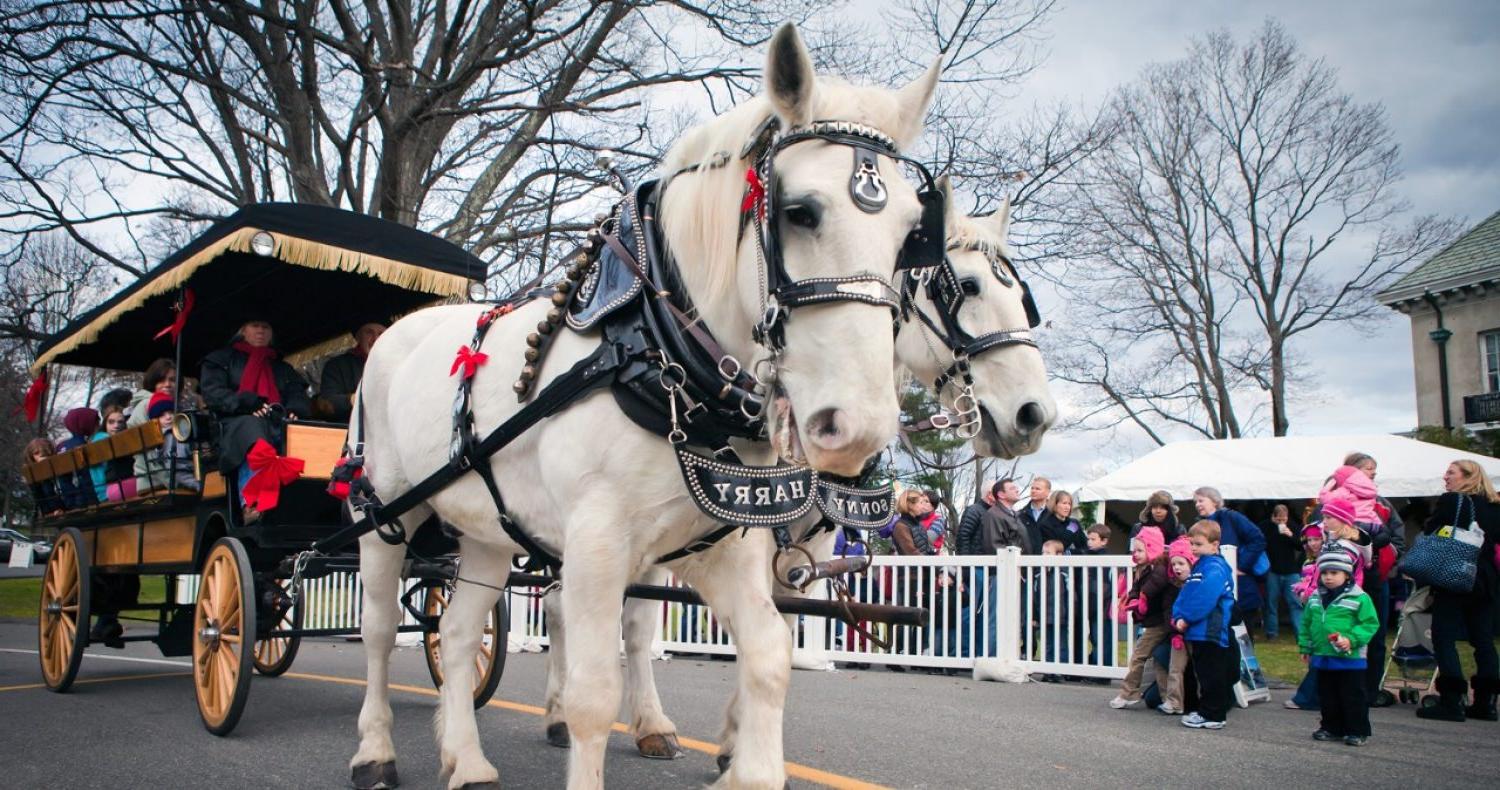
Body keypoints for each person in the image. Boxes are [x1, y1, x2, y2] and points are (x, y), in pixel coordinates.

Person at [200, 317, 311, 517]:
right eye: (255, 326)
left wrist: (296, 408)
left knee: (308, 435)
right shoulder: (220, 360)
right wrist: (245, 403)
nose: (261, 331)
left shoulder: (282, 367)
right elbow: (213, 393)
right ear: (243, 330)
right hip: (234, 424)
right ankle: (252, 502)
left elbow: (297, 392)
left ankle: (311, 503)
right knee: (254, 429)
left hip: (278, 421)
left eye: (266, 326)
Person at [1416, 460, 1500, 723]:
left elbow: (1431, 530)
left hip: (1455, 573)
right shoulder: (1494, 505)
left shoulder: (1454, 502)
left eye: (1451, 473)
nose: (1445, 477)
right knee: (1483, 639)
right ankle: (1486, 702)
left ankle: (1452, 700)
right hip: (1485, 577)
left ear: (1467, 476)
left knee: (1444, 635)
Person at [1340, 452, 1406, 707]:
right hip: (1343, 579)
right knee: (1341, 631)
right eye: (1368, 469)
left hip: (1377, 577)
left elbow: (1397, 539)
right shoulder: (1335, 501)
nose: (1372, 475)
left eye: (1374, 471)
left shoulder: (1383, 505)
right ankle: (1343, 687)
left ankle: (1370, 689)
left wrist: (1389, 559)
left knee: (1374, 632)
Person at [1300, 544, 1379, 746]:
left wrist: (1351, 639)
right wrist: (1306, 647)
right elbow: (1307, 624)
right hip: (1323, 656)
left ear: (1347, 574)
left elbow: (1369, 624)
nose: (1328, 577)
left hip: (1350, 658)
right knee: (1327, 696)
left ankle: (1357, 730)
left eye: (1334, 572)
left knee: (1352, 695)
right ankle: (1330, 727)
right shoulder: (1316, 597)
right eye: (1324, 572)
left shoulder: (1359, 597)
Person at [1172, 519, 1237, 730]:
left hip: (1211, 630)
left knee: (1212, 674)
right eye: (1192, 543)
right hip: (1199, 631)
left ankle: (1213, 714)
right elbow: (1187, 595)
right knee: (1205, 672)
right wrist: (1177, 616)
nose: (1193, 548)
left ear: (1214, 544)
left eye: (1198, 544)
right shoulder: (1203, 566)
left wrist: (1186, 618)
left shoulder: (1215, 568)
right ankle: (1208, 711)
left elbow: (1204, 599)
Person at [963, 479, 1026, 657]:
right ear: (1000, 494)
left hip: (1012, 572)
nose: (1017, 490)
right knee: (991, 616)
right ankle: (988, 657)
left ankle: (1002, 655)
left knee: (1007, 617)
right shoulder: (991, 514)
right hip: (996, 572)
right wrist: (967, 569)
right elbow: (989, 543)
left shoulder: (1013, 514)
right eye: (1012, 488)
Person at [1110, 526, 1169, 709]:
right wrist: (1132, 597)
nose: (1136, 554)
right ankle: (1167, 697)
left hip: (1158, 622)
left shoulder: (1158, 568)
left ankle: (1129, 693)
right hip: (1154, 621)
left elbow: (1154, 584)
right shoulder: (1142, 568)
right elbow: (1136, 587)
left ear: (1152, 548)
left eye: (1140, 550)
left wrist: (1141, 597)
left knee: (1138, 657)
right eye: (1134, 550)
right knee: (1159, 660)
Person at [1193, 486, 1267, 614]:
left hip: (1240, 585)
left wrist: (1242, 566)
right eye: (1195, 502)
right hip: (1215, 583)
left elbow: (1257, 539)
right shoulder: (1200, 525)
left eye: (1201, 500)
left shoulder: (1231, 517)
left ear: (1214, 501)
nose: (1197, 504)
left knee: (1241, 627)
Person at [319, 320, 385, 422]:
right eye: (369, 332)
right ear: (358, 337)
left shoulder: (398, 365)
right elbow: (326, 402)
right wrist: (352, 400)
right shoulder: (336, 366)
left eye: (381, 334)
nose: (375, 339)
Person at [133, 393, 200, 492]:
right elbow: (171, 464)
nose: (168, 417)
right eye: (162, 415)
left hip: (189, 465)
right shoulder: (163, 436)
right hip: (180, 469)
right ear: (155, 419)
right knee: (178, 470)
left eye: (171, 412)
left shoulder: (181, 428)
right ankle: (200, 487)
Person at [1260, 504, 1304, 640]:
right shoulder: (1265, 526)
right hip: (1272, 570)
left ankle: (1301, 634)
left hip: (1291, 570)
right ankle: (1272, 633)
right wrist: (1274, 529)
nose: (1281, 522)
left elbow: (1302, 546)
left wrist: (1290, 535)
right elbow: (1261, 542)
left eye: (1283, 520)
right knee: (1271, 603)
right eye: (1278, 520)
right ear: (1273, 516)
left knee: (1296, 603)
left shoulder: (1293, 526)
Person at [1084, 524, 1116, 668]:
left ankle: (1102, 668)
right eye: (1088, 539)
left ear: (1104, 541)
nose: (1089, 542)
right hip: (1092, 602)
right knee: (1095, 637)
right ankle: (1097, 664)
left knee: (1102, 638)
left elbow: (1106, 584)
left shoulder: (1105, 559)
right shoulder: (1088, 556)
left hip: (1102, 604)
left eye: (1093, 539)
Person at [89, 406, 136, 502]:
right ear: (105, 424)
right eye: (111, 422)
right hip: (109, 490)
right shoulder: (107, 440)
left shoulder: (94, 440)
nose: (116, 426)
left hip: (103, 493)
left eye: (120, 422)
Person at [56, 407, 101, 508]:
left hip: (70, 500)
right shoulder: (87, 444)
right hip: (91, 497)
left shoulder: (60, 447)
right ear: (85, 423)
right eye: (96, 422)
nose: (99, 425)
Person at [127, 358, 176, 427]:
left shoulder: (179, 404)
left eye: (172, 380)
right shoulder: (145, 404)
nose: (167, 384)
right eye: (161, 380)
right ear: (153, 382)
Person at [956, 480, 997, 557]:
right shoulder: (974, 511)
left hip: (991, 563)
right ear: (990, 494)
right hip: (976, 564)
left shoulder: (996, 512)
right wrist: (966, 564)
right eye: (997, 491)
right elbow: (963, 537)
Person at [1037, 489, 1086, 555]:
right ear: (1054, 504)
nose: (1067, 507)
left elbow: (1084, 547)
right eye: (1064, 503)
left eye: (1069, 504)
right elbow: (1059, 546)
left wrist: (1070, 552)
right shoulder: (1045, 524)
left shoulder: (1074, 523)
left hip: (1075, 563)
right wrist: (1070, 531)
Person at [24, 438, 63, 514]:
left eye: (45, 454)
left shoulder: (57, 464)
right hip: (47, 507)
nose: (41, 457)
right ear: (31, 456)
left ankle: (56, 509)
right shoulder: (32, 470)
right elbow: (38, 494)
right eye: (36, 453)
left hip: (62, 501)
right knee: (43, 486)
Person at [1019, 477, 1051, 554]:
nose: (1033, 491)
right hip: (1025, 562)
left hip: (1048, 562)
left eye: (1037, 489)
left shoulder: (1054, 515)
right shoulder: (1020, 515)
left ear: (1047, 492)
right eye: (1032, 488)